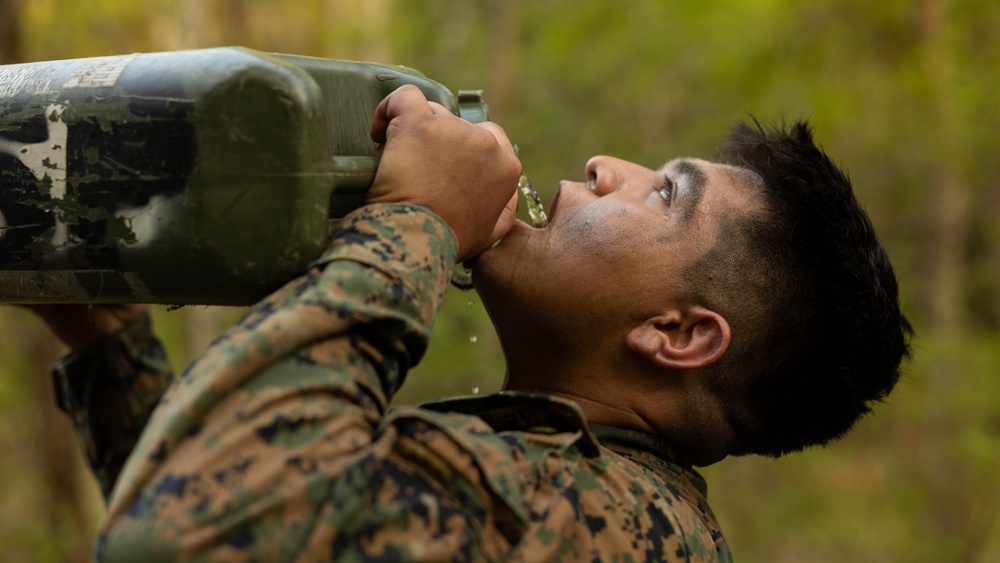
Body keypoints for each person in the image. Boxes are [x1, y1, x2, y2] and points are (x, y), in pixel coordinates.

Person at [31, 85, 911, 561]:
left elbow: (200, 532)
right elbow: (265, 512)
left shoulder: (596, 521)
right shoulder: (595, 495)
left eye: (666, 191)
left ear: (678, 334)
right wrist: (115, 347)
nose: (607, 165)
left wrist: (413, 221)